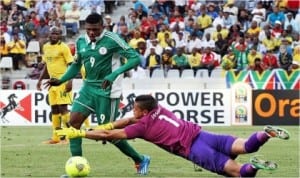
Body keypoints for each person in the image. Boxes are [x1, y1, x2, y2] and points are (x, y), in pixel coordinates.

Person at [56, 94, 291, 177]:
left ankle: (254, 167)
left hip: (194, 150)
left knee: (239, 174)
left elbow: (117, 132)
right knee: (247, 145)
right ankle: (265, 133)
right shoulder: (159, 109)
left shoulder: (143, 127)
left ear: (144, 112)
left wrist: (81, 133)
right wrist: (105, 124)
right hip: (205, 135)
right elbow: (125, 120)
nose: (133, 112)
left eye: (136, 109)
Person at [45, 13, 150, 175]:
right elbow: (76, 65)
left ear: (103, 27)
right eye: (88, 29)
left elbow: (135, 59)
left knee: (107, 134)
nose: (91, 33)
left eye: (95, 29)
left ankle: (140, 159)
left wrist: (115, 74)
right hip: (88, 89)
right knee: (73, 124)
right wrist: (61, 80)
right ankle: (77, 166)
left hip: (108, 91)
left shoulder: (112, 39)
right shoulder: (81, 41)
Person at [37, 26, 74, 144]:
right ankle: (56, 137)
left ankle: (69, 136)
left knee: (63, 109)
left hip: (62, 82)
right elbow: (46, 66)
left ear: (60, 35)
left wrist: (69, 81)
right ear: (49, 34)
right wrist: (39, 80)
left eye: (56, 34)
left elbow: (71, 65)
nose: (54, 35)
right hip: (52, 83)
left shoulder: (64, 48)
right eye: (52, 33)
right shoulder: (46, 47)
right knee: (54, 110)